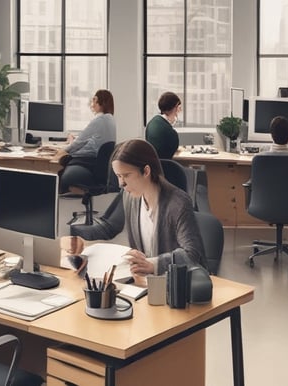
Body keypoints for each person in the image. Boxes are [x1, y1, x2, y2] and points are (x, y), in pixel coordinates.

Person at [110, 139, 206, 277]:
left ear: (146, 171)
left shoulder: (178, 203)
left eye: (126, 175)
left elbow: (192, 254)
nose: (121, 183)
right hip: (145, 282)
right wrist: (81, 239)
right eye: (118, 176)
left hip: (176, 282)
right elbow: (108, 226)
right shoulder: (129, 196)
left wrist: (153, 265)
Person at [54, 89, 117, 193]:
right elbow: (92, 140)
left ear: (100, 102)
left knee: (61, 162)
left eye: (94, 100)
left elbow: (79, 143)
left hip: (90, 160)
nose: (92, 103)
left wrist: (63, 150)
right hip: (98, 160)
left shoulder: (100, 119)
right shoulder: (110, 118)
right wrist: (73, 141)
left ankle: (74, 190)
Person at [145, 92, 181, 159]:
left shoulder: (151, 123)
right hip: (166, 165)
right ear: (176, 107)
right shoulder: (171, 133)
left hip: (153, 163)